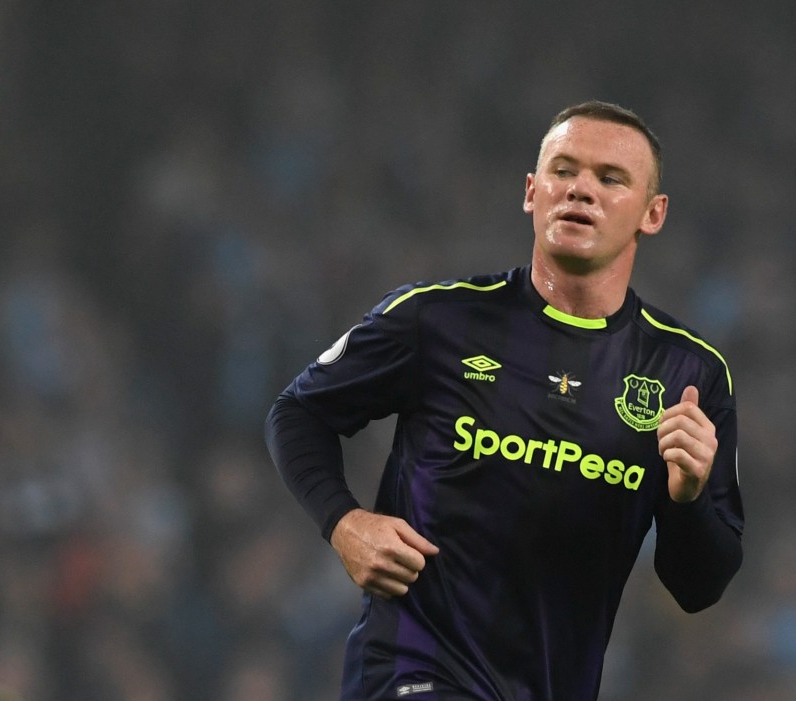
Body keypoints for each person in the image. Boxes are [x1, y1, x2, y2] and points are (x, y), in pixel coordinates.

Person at [265, 100, 744, 700]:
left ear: (653, 213)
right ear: (532, 192)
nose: (581, 189)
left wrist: (689, 497)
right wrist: (344, 523)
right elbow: (298, 412)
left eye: (610, 178)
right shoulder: (437, 319)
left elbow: (698, 588)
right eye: (563, 170)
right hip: (414, 668)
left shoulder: (688, 374)